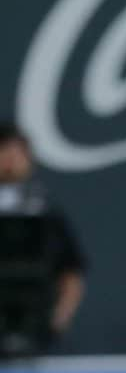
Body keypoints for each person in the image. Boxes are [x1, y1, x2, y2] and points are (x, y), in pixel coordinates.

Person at [0, 123, 87, 353]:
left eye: (17, 152)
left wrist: (58, 321)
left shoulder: (45, 213)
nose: (10, 160)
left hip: (34, 335)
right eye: (3, 151)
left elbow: (72, 272)